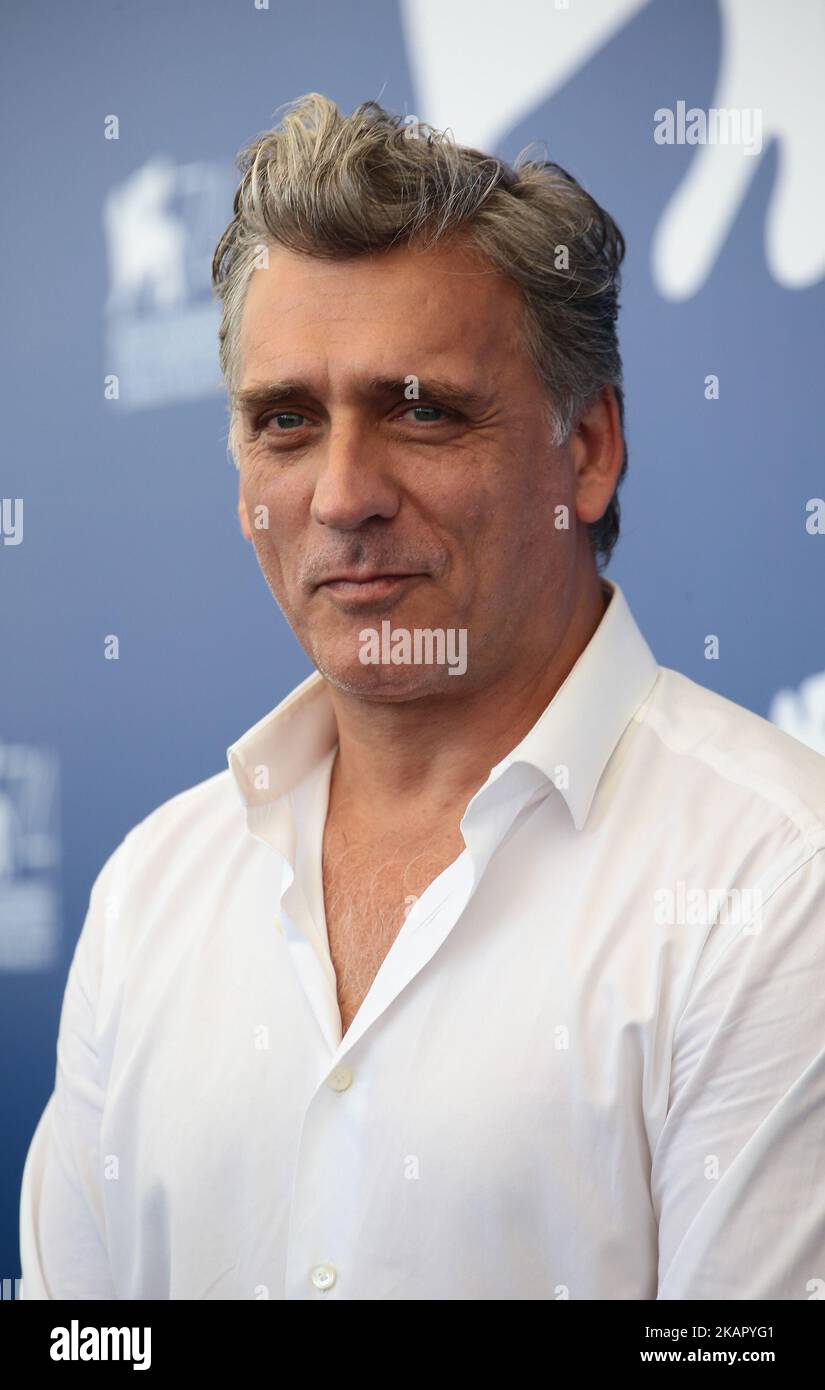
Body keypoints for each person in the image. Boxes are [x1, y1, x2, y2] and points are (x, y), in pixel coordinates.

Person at [19, 93, 825, 1300]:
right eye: (285, 420)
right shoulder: (153, 888)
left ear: (589, 449)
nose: (344, 495)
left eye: (420, 411)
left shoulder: (780, 881)